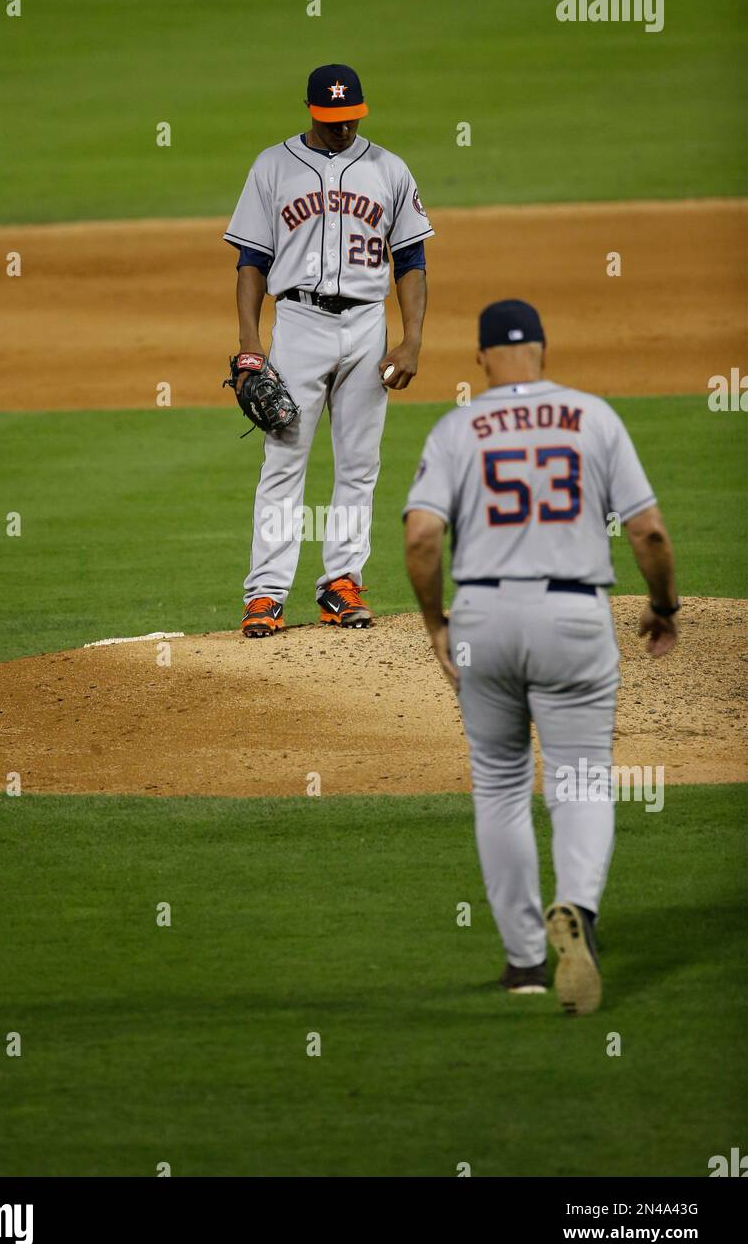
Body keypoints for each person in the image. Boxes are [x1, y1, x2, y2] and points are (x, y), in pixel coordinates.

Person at [403, 299, 680, 1015]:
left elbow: (422, 539)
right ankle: (578, 913)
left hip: (484, 617)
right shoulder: (595, 417)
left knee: (499, 785)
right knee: (583, 780)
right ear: (545, 350)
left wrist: (436, 623)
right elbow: (648, 533)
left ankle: (525, 962)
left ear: (481, 358)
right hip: (574, 615)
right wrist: (664, 607)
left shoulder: (458, 426)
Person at [224, 63, 434, 637]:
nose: (343, 130)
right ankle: (265, 594)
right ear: (312, 111)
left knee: (360, 464)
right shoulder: (272, 166)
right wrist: (249, 341)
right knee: (284, 459)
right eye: (331, 120)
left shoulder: (389, 169)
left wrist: (411, 337)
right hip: (297, 322)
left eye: (351, 120)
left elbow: (411, 260)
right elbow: (251, 261)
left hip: (368, 324)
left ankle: (342, 583)